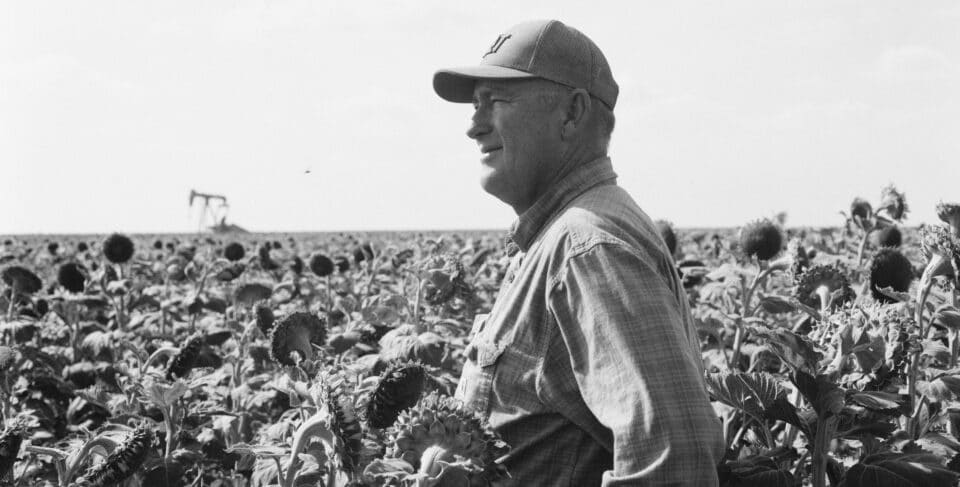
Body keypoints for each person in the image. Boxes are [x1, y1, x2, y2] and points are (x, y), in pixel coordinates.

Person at [432, 20, 724, 486]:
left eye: (496, 100)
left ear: (571, 112)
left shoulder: (588, 249)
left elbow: (676, 465)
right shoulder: (558, 237)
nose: (473, 125)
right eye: (474, 103)